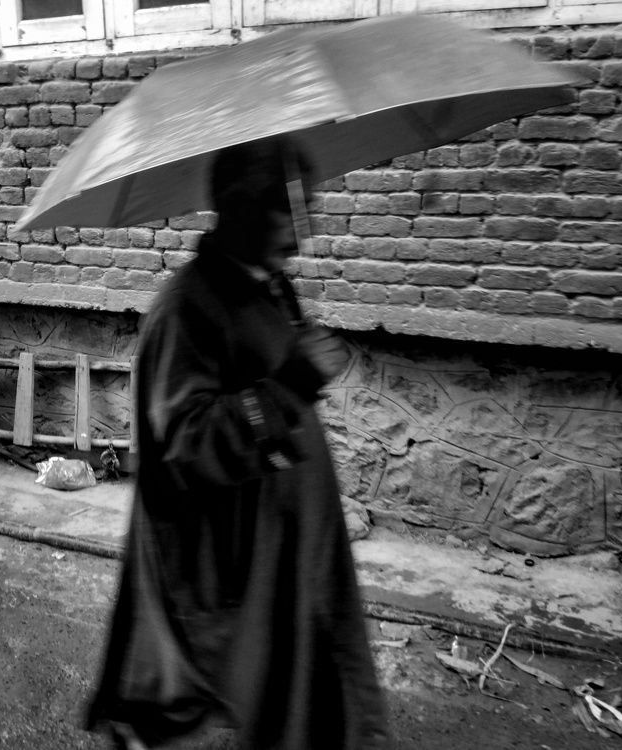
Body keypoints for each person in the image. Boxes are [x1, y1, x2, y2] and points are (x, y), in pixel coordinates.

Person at [84, 138, 390, 750]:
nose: (303, 231)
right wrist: (291, 384)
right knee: (191, 678)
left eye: (306, 208)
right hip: (224, 548)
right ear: (236, 207)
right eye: (286, 209)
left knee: (292, 676)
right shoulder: (185, 308)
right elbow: (186, 441)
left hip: (279, 531)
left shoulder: (268, 285)